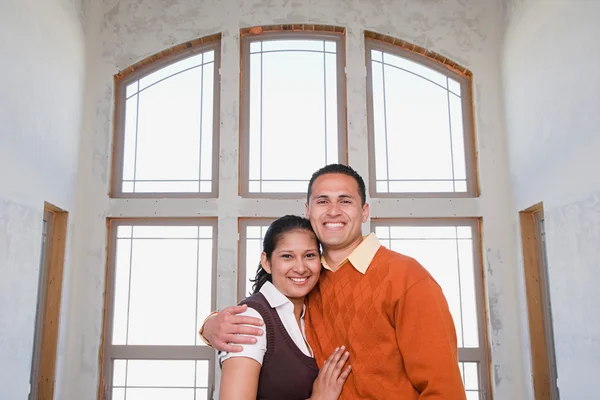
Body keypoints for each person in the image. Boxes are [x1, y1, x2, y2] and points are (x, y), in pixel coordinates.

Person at [202, 164, 466, 399]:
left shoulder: (406, 277)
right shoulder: (309, 282)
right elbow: (269, 324)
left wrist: (208, 327)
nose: (333, 211)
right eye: (322, 201)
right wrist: (210, 326)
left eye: (345, 201)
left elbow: (444, 390)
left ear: (364, 212)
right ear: (308, 211)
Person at [219, 215, 352, 400]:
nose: (300, 268)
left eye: (309, 255)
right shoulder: (251, 320)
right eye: (287, 256)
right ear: (266, 262)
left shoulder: (312, 313)